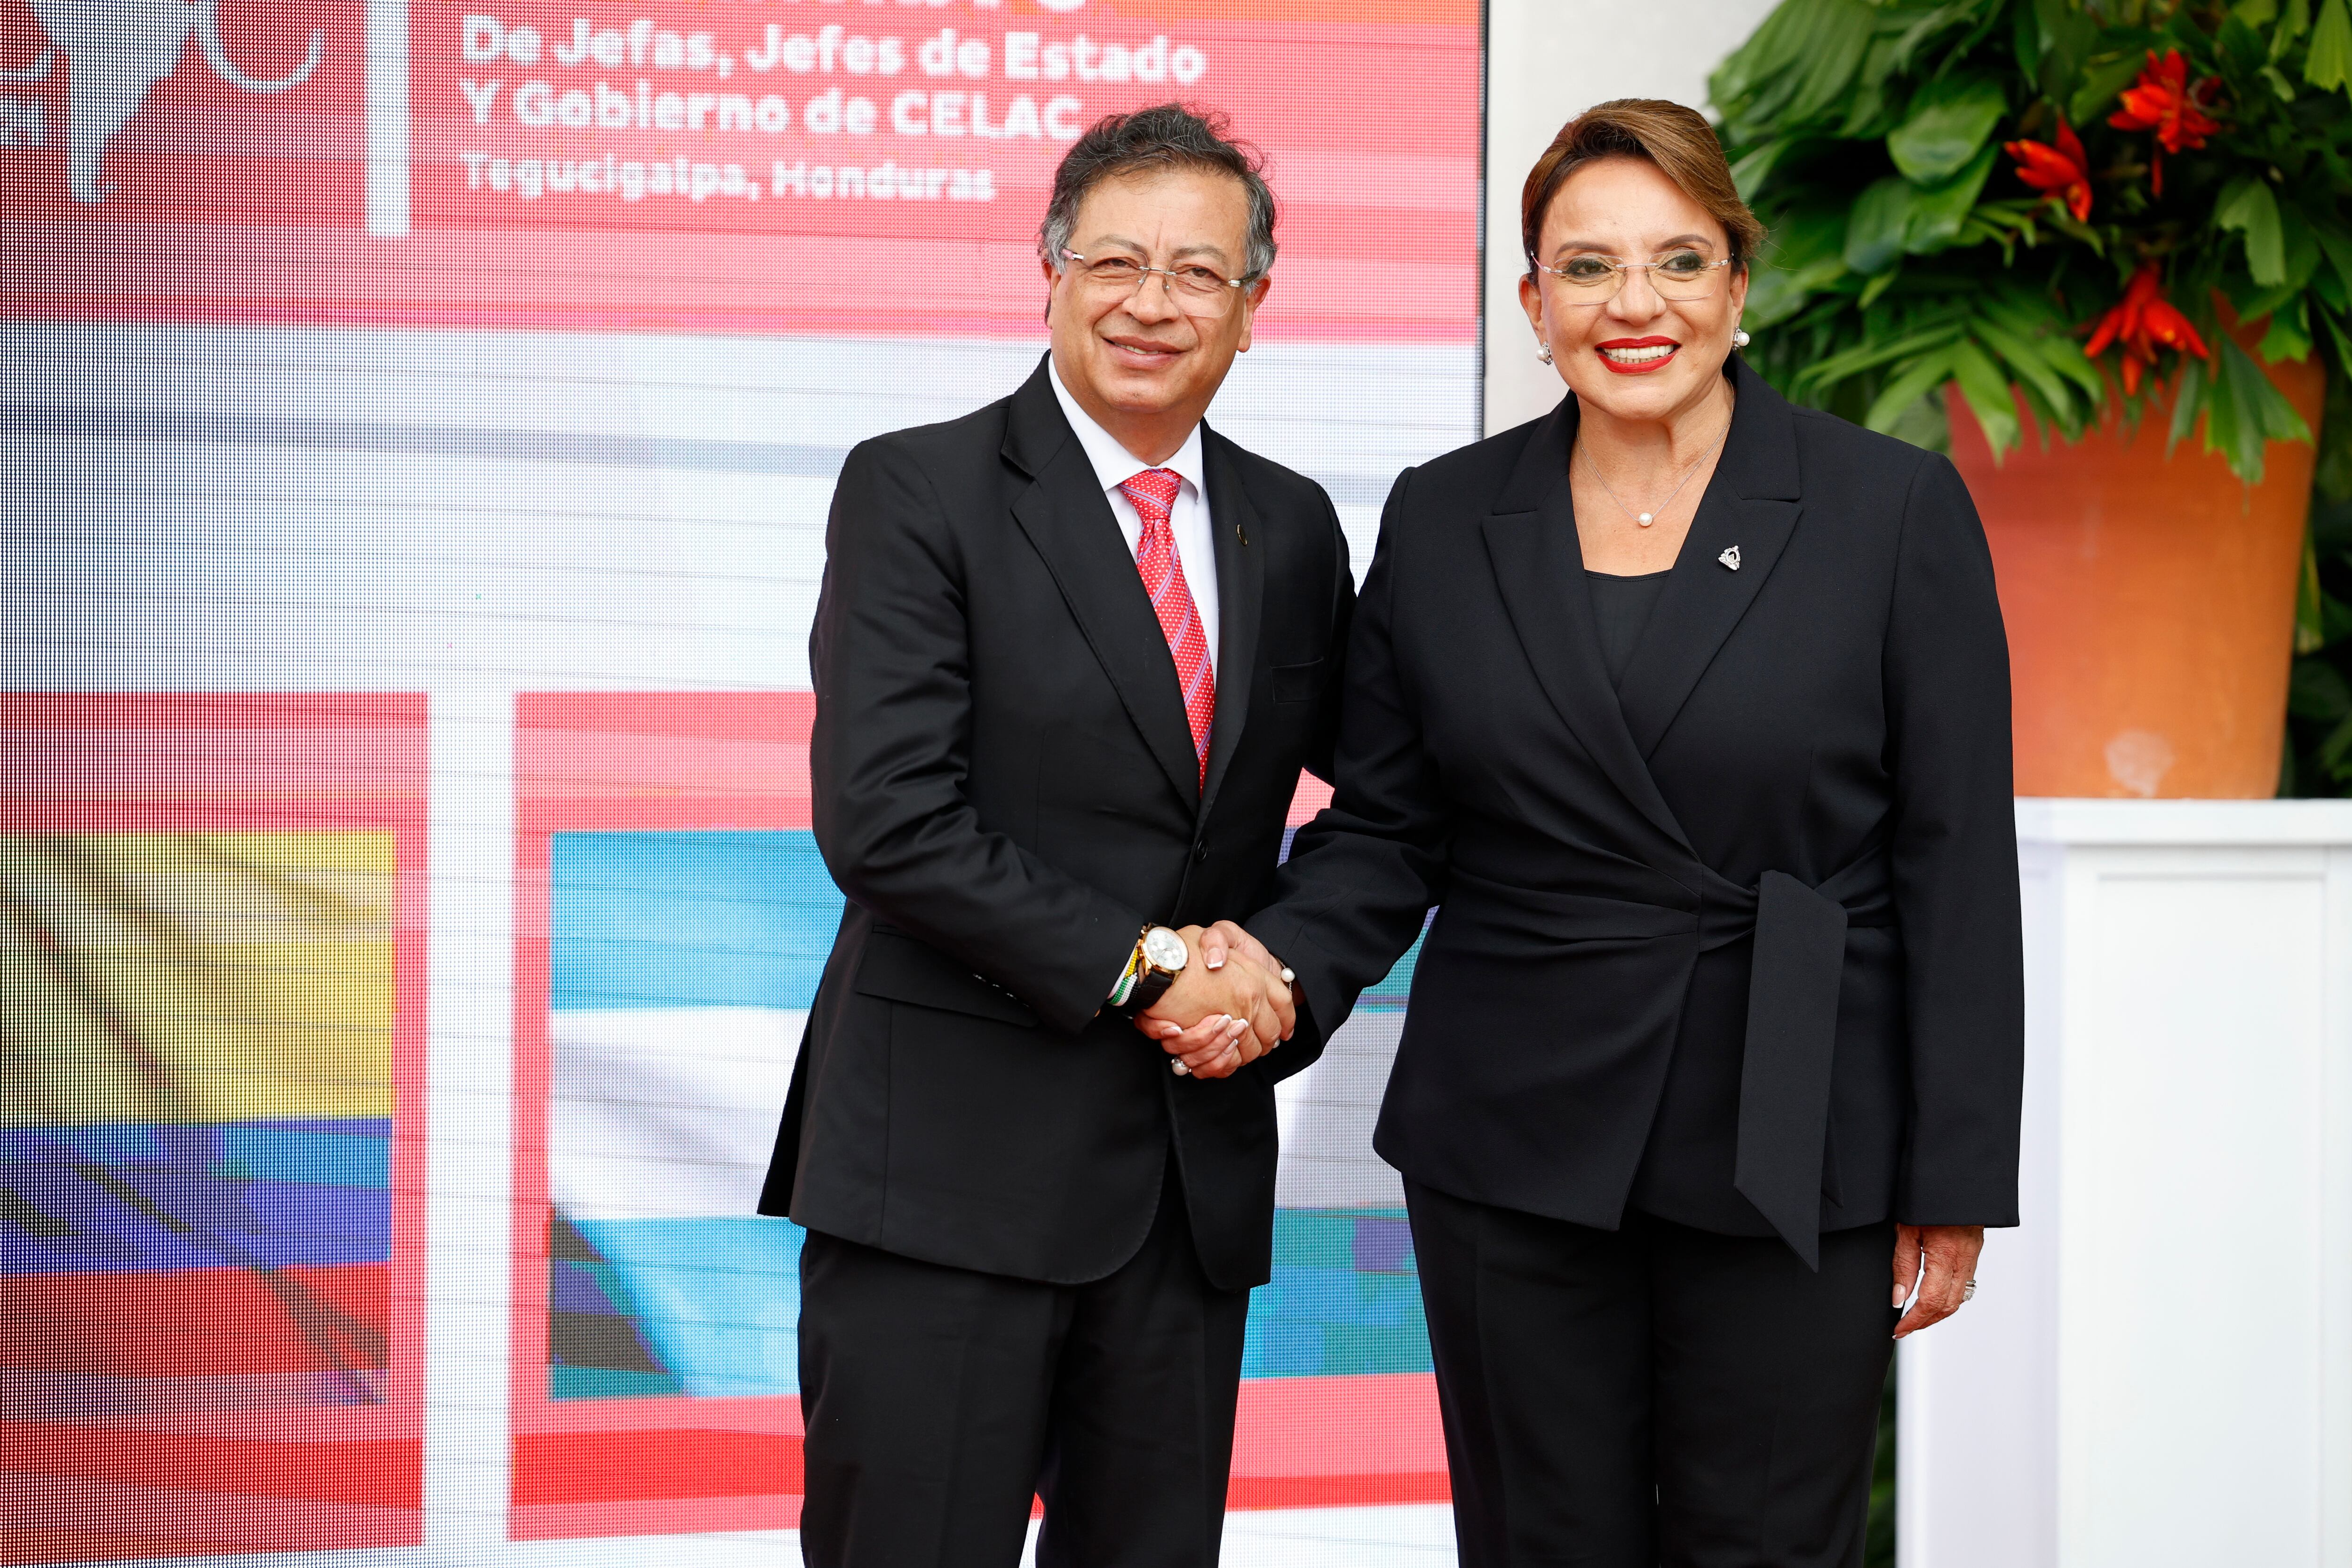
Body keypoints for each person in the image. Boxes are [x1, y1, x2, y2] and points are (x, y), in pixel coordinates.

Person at [1153, 99, 2024, 1566]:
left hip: (1791, 1126)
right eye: (1589, 267)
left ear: (1740, 288)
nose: (1637, 306)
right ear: (1531, 301)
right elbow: (1389, 827)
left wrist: (1953, 1173)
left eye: (1680, 263)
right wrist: (1276, 974)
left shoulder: (1890, 511)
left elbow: (1954, 861)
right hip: (1513, 1131)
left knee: (1765, 1544)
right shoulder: (1444, 519)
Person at [755, 103, 1354, 1568]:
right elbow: (887, 818)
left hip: (1182, 1192)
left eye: (1200, 274)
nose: (1154, 304)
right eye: (1116, 261)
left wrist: (1282, 975)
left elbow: (1388, 797)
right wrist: (1156, 972)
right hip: (943, 1183)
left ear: (1254, 309)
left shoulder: (1293, 524)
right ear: (1051, 273)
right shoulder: (919, 488)